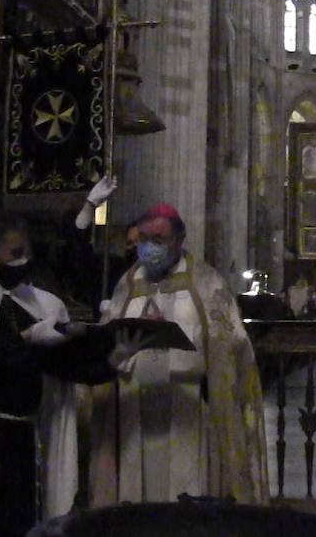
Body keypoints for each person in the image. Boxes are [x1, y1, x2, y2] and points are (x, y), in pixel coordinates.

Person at [0, 211, 137, 537]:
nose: (25, 260)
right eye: (16, 254)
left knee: (23, 523)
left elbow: (63, 366)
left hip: (25, 437)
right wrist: (25, 340)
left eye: (28, 252)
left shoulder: (37, 303)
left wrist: (112, 361)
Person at [85, 202, 268, 506]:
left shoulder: (206, 283)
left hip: (187, 407)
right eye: (143, 239)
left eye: (158, 240)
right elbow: (108, 341)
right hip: (134, 409)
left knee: (183, 498)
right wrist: (118, 352)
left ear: (179, 241)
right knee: (136, 500)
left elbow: (232, 344)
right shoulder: (127, 284)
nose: (148, 248)